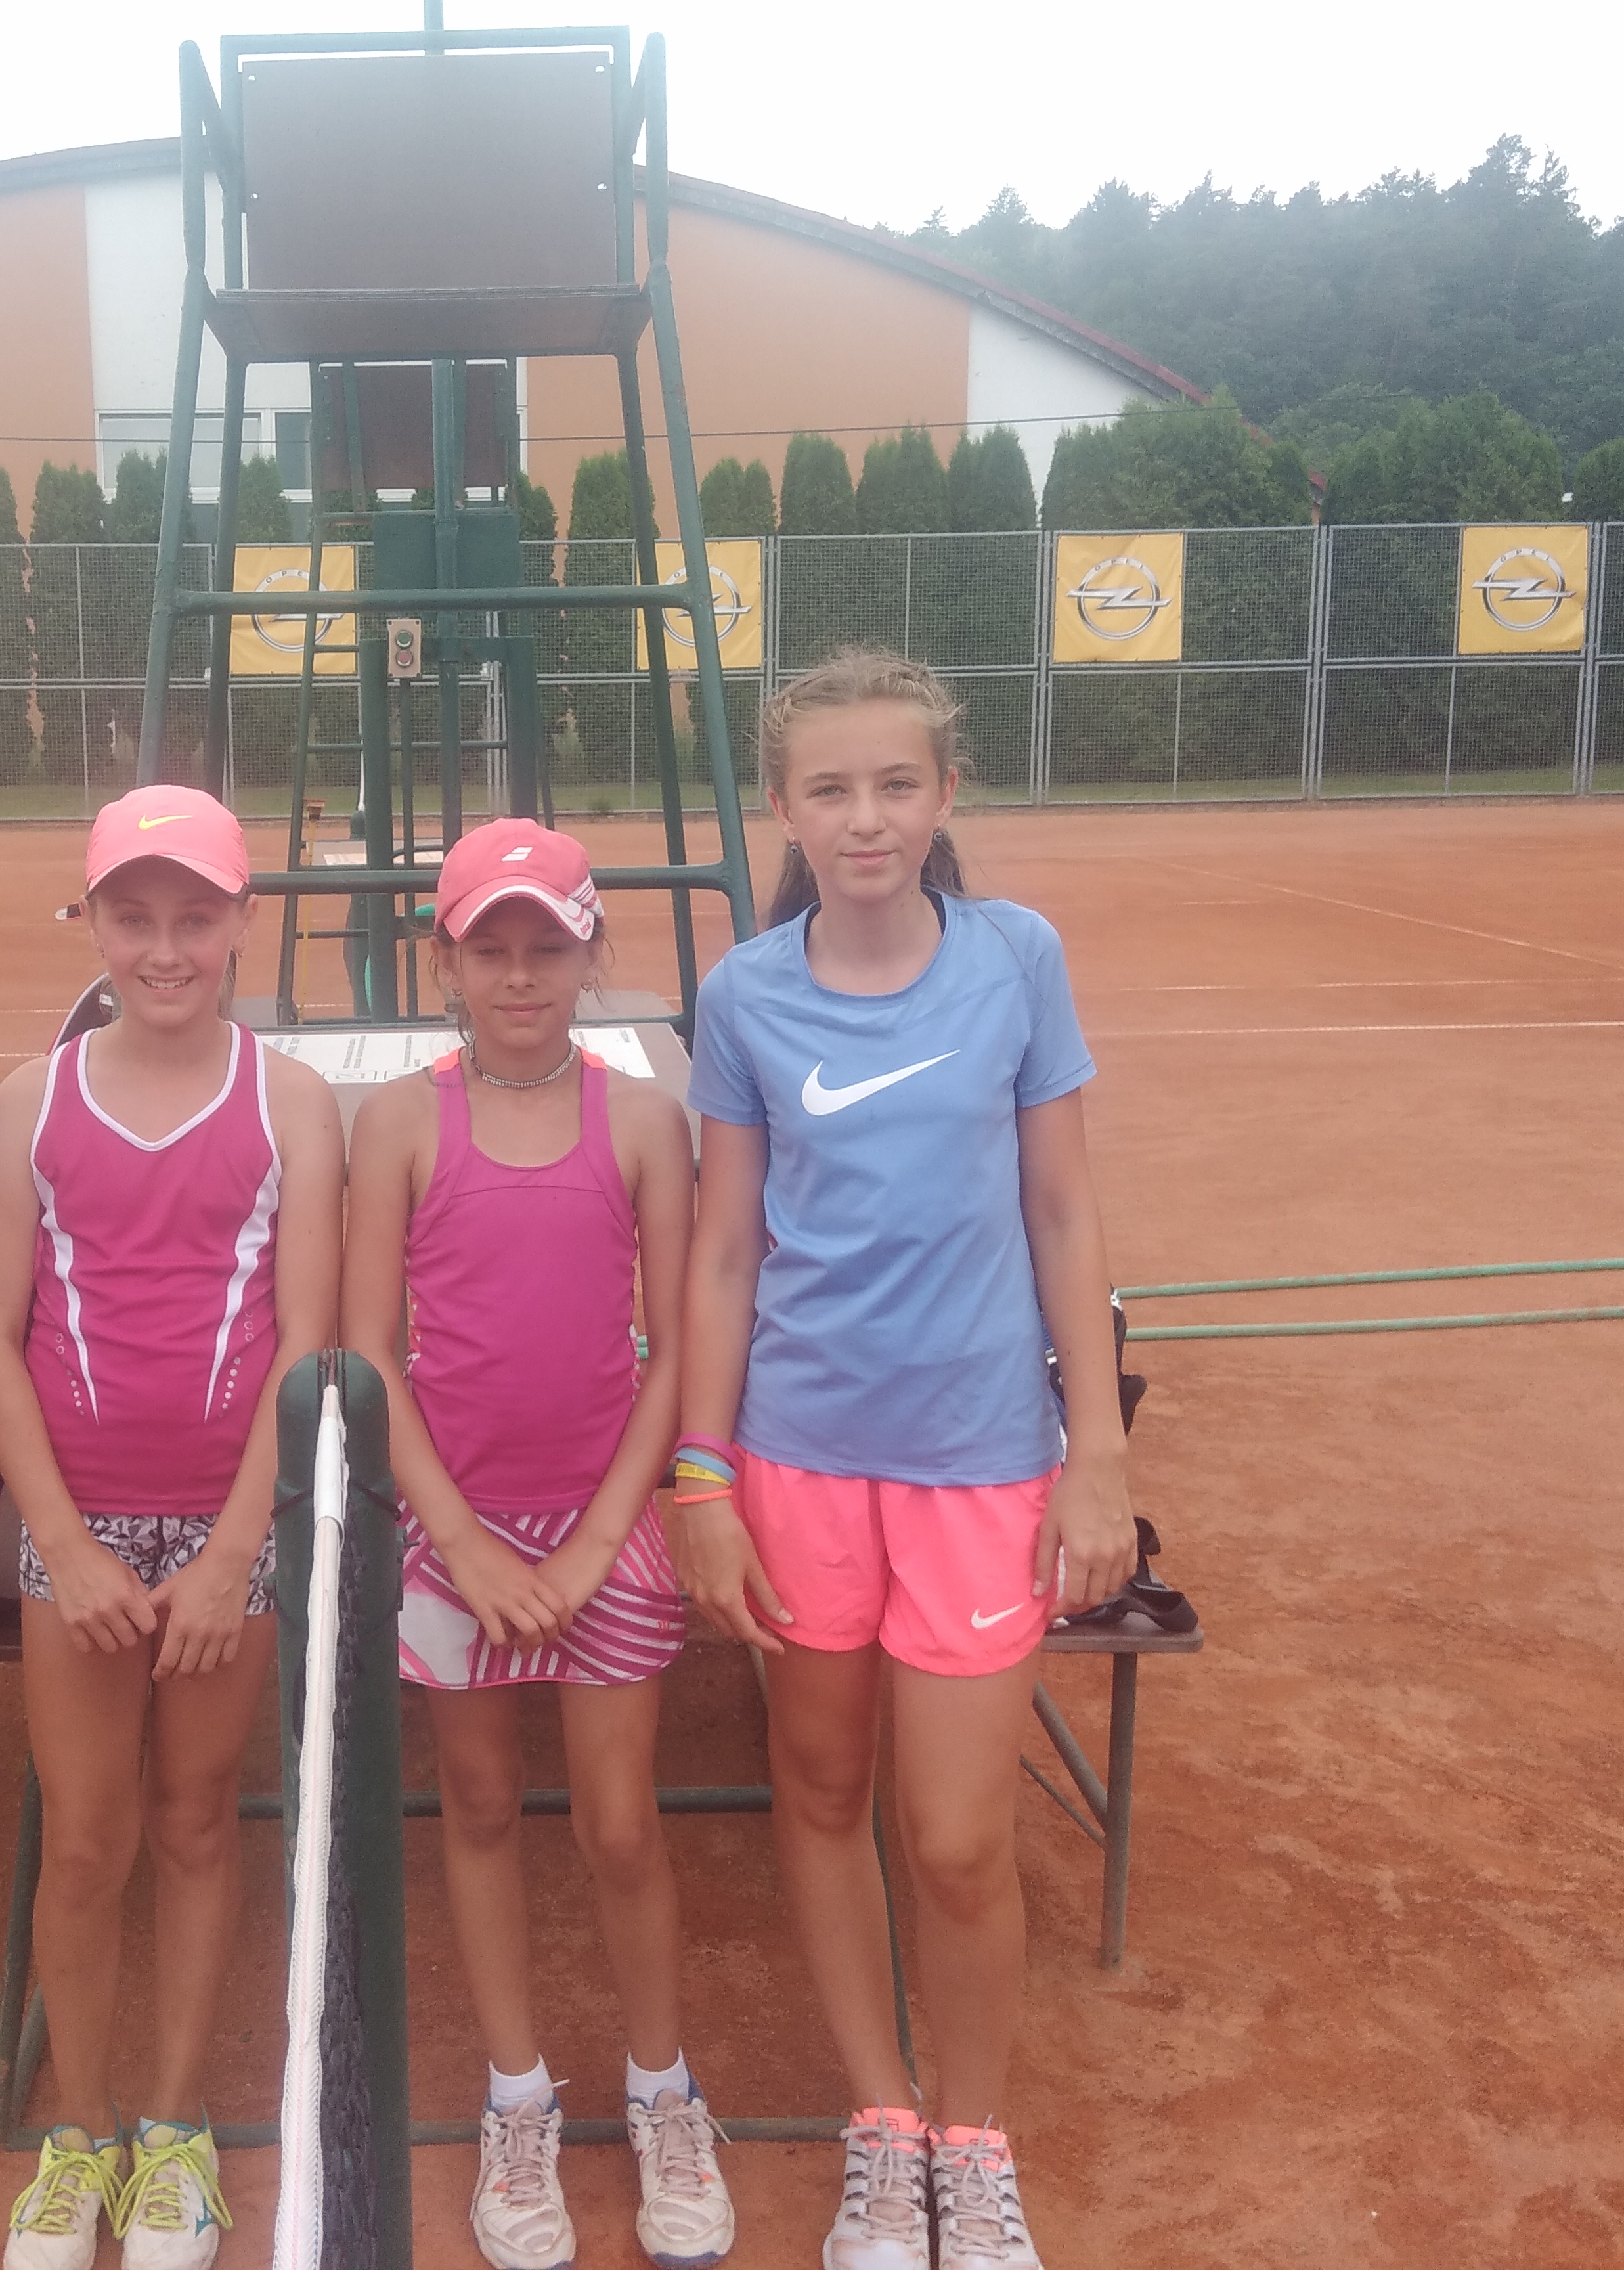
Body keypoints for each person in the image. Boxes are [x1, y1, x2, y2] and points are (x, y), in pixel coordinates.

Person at [671, 650, 1137, 2270]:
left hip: (982, 1467)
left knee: (954, 1838)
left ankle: (974, 2142)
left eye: (893, 784)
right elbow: (724, 1253)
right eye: (828, 788)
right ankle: (884, 2124)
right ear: (782, 808)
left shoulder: (1017, 959)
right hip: (798, 1467)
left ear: (945, 793)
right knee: (818, 1793)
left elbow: (1062, 1212)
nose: (863, 818)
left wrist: (1097, 1452)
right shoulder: (744, 997)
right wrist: (703, 1478)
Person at [341, 818, 734, 2270]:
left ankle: (663, 2091)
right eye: (490, 949)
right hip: (453, 1539)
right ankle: (517, 2101)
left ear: (589, 955)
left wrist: (598, 1539)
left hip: (603, 1532)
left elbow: (677, 1348)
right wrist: (463, 1544)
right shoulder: (398, 1125)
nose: (519, 976)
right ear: (445, 962)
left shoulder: (643, 1123)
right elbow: (369, 1357)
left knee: (622, 1824)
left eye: (546, 949)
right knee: (482, 1805)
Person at [0, 784, 345, 2270]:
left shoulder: (290, 1103)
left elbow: (306, 1343)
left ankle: (175, 2131)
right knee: (85, 1840)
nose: (166, 948)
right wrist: (61, 1543)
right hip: (78, 1535)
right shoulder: (32, 1100)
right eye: (134, 917)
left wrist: (239, 1547)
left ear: (242, 923)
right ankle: (80, 2137)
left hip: (225, 1538)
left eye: (196, 917)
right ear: (95, 922)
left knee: (195, 1821)